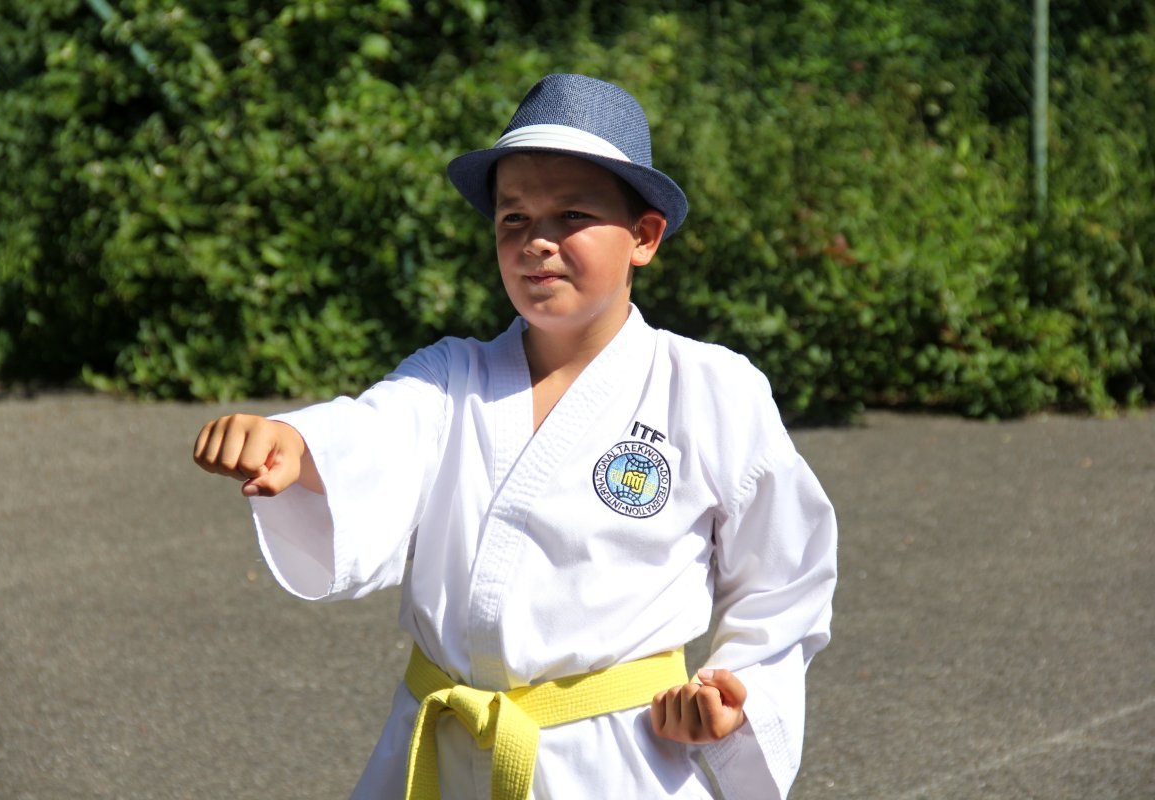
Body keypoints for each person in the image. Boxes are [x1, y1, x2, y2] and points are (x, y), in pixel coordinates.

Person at [193, 73, 837, 800]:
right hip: (443, 750)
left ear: (644, 236)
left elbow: (786, 575)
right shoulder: (449, 377)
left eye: (572, 215)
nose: (537, 242)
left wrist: (733, 695)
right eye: (513, 218)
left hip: (614, 763)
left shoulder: (710, 390)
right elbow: (373, 434)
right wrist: (293, 444)